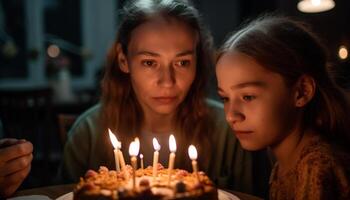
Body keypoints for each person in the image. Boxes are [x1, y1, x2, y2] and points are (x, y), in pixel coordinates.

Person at [58, 0, 270, 196]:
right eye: (149, 62)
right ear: (124, 61)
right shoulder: (88, 133)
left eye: (182, 62)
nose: (167, 81)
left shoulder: (230, 130)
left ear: (198, 62)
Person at [216, 15, 350, 200]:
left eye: (248, 96)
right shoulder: (284, 162)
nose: (231, 116)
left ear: (301, 92)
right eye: (225, 98)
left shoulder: (317, 166)